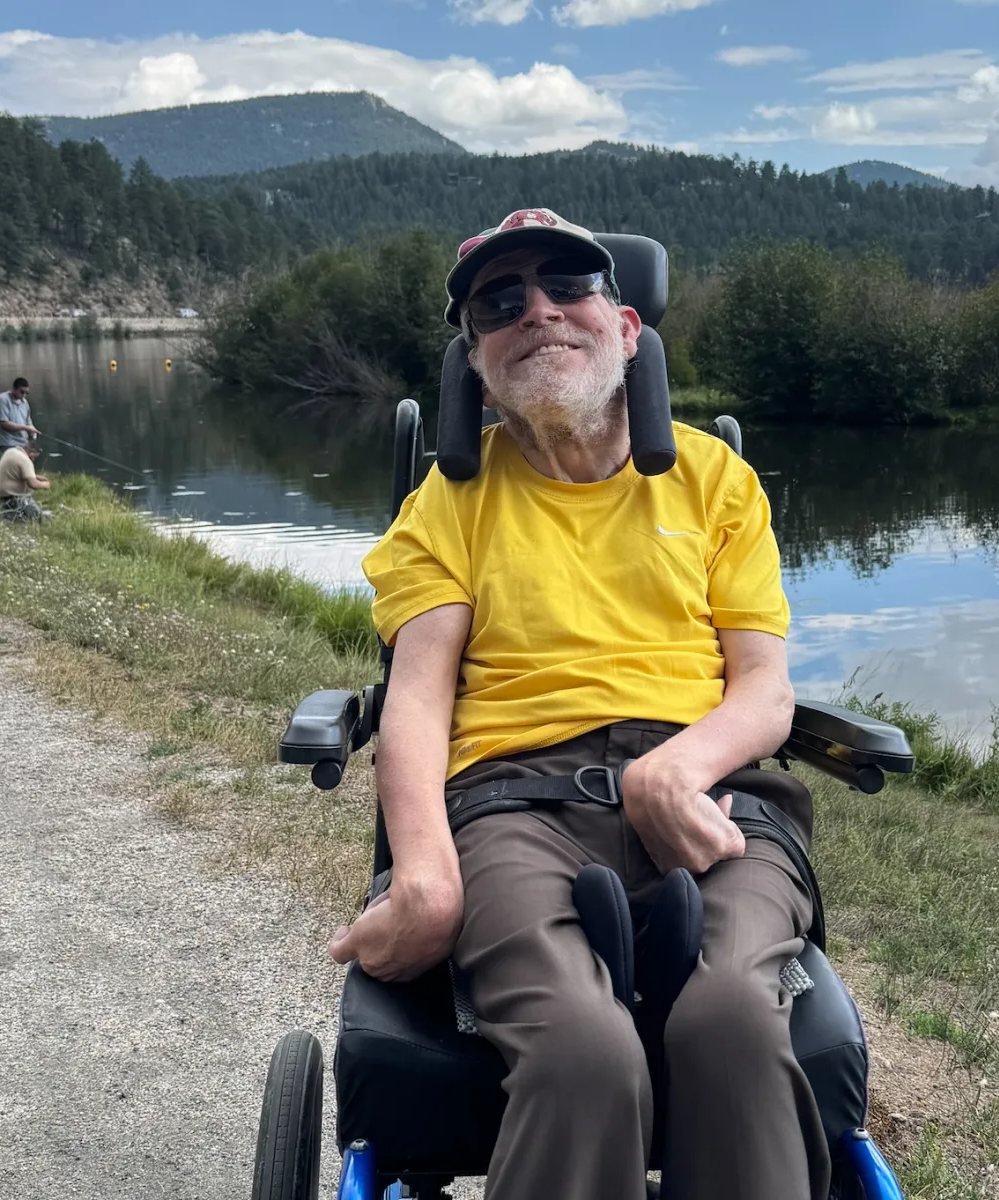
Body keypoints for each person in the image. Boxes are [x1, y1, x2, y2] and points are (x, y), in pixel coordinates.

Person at [336, 209, 825, 1200]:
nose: (539, 312)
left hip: (713, 790)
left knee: (729, 1020)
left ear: (627, 326)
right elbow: (417, 706)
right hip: (512, 807)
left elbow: (764, 688)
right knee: (582, 1054)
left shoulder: (714, 479)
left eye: (569, 285)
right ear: (475, 358)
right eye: (500, 302)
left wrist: (680, 766)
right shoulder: (446, 507)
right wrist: (424, 881)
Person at [0, 441, 50, 522]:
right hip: (14, 497)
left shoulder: (11, 451)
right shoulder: (25, 460)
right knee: (38, 518)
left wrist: (34, 476)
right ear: (31, 452)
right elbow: (33, 484)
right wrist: (45, 484)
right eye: (34, 457)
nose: (33, 460)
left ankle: (7, 515)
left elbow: (14, 471)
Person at [0, 377, 38, 455]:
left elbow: (28, 422)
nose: (24, 395)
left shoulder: (25, 403)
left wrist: (33, 432)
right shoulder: (2, 399)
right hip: (7, 442)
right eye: (22, 392)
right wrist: (25, 428)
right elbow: (3, 423)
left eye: (26, 393)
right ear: (14, 389)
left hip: (23, 442)